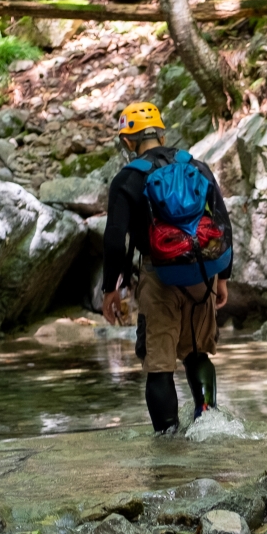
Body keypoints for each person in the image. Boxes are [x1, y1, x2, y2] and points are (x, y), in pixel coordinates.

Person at [101, 102, 234, 435]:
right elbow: (222, 221)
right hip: (201, 272)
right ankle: (209, 425)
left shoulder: (127, 179)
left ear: (128, 141)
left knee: (159, 366)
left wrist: (110, 289)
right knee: (198, 354)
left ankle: (169, 446)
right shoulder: (196, 166)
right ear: (161, 133)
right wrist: (223, 277)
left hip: (157, 278)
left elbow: (115, 240)